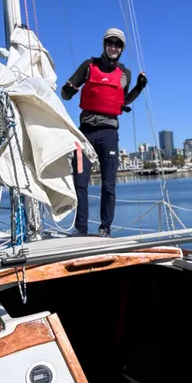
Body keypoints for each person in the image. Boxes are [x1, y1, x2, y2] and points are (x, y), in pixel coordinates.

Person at [61, 27, 147, 237]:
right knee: (80, 182)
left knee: (109, 184)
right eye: (110, 43)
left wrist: (139, 88)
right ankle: (80, 229)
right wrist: (70, 90)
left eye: (117, 44)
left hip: (109, 134)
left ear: (122, 48)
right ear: (104, 45)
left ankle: (104, 228)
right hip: (86, 133)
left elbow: (121, 102)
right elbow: (65, 94)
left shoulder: (125, 74)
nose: (113, 47)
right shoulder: (88, 66)